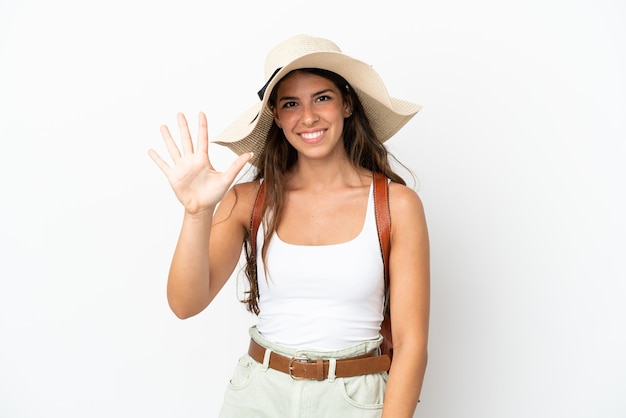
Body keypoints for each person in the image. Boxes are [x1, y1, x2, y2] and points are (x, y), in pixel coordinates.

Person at [148, 34, 430, 418]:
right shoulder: (248, 200)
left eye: (322, 97)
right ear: (277, 118)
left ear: (347, 104)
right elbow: (184, 304)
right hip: (258, 396)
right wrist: (197, 212)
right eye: (291, 103)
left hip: (355, 400)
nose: (308, 116)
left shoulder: (396, 205)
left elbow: (412, 345)